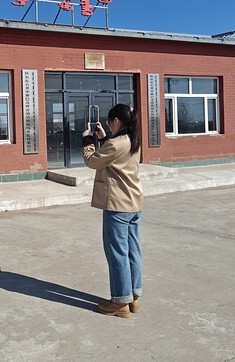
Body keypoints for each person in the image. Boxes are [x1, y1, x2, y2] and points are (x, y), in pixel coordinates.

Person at [82, 104, 144, 318]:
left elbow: (92, 161)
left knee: (117, 253)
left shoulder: (116, 144)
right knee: (132, 251)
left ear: (117, 121)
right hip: (133, 203)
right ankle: (133, 296)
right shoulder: (132, 140)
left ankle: (119, 301)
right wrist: (104, 138)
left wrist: (88, 141)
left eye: (109, 122)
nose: (108, 125)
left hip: (117, 206)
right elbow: (115, 156)